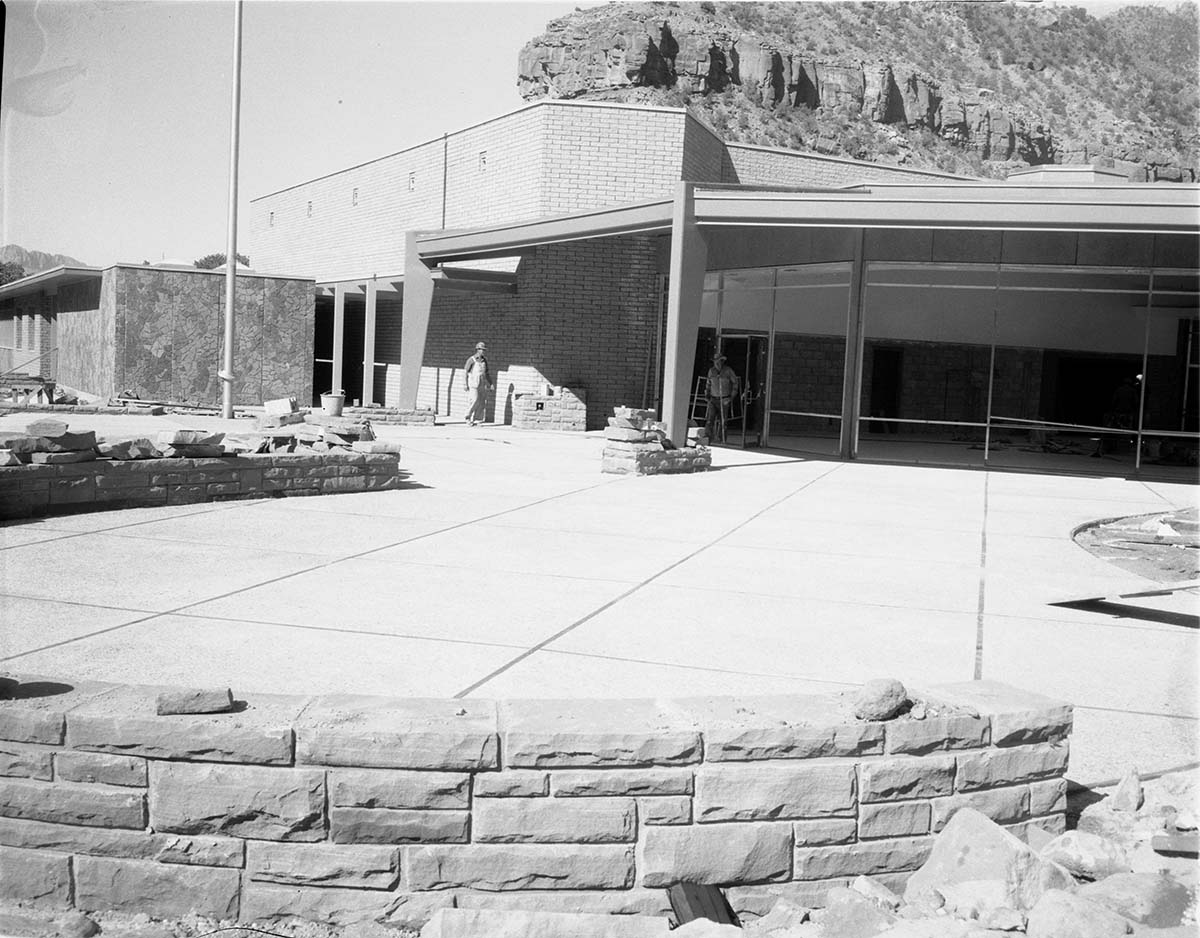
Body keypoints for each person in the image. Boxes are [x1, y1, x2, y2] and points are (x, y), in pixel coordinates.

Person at [705, 351, 739, 442]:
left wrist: (731, 397)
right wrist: (707, 395)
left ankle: (721, 439)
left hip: (724, 399)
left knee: (723, 422)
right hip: (713, 398)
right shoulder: (711, 371)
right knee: (709, 420)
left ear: (722, 361)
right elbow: (708, 384)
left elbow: (735, 383)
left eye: (719, 361)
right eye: (715, 361)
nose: (717, 363)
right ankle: (708, 439)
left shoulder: (728, 370)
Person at [463, 341, 493, 426]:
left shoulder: (484, 361)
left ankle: (478, 419)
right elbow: (465, 372)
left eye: (484, 350)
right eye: (481, 349)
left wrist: (490, 383)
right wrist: (465, 384)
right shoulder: (471, 360)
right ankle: (468, 417)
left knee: (481, 401)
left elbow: (487, 373)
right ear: (477, 349)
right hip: (474, 383)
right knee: (474, 400)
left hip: (482, 383)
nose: (482, 351)